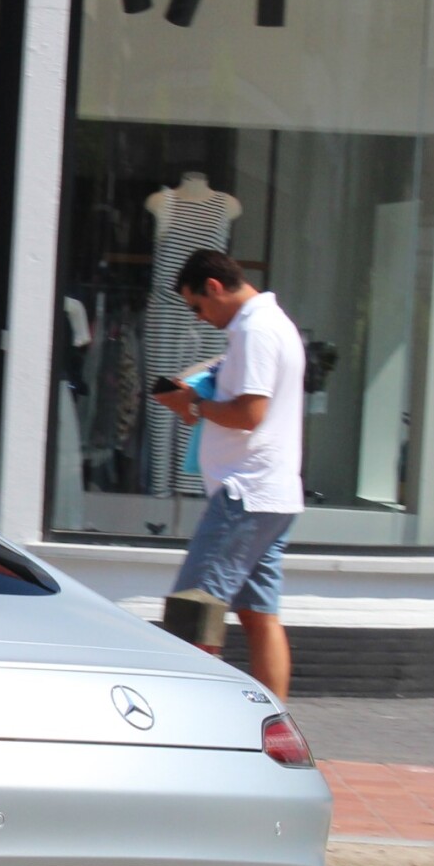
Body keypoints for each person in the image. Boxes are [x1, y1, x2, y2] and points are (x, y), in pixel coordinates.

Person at [151, 249, 304, 700]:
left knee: (193, 609)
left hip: (244, 492)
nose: (199, 319)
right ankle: (276, 728)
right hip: (272, 493)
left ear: (214, 287)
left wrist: (191, 406)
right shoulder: (273, 324)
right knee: (259, 617)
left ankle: (200, 728)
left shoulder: (254, 330)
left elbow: (250, 413)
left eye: (197, 306)